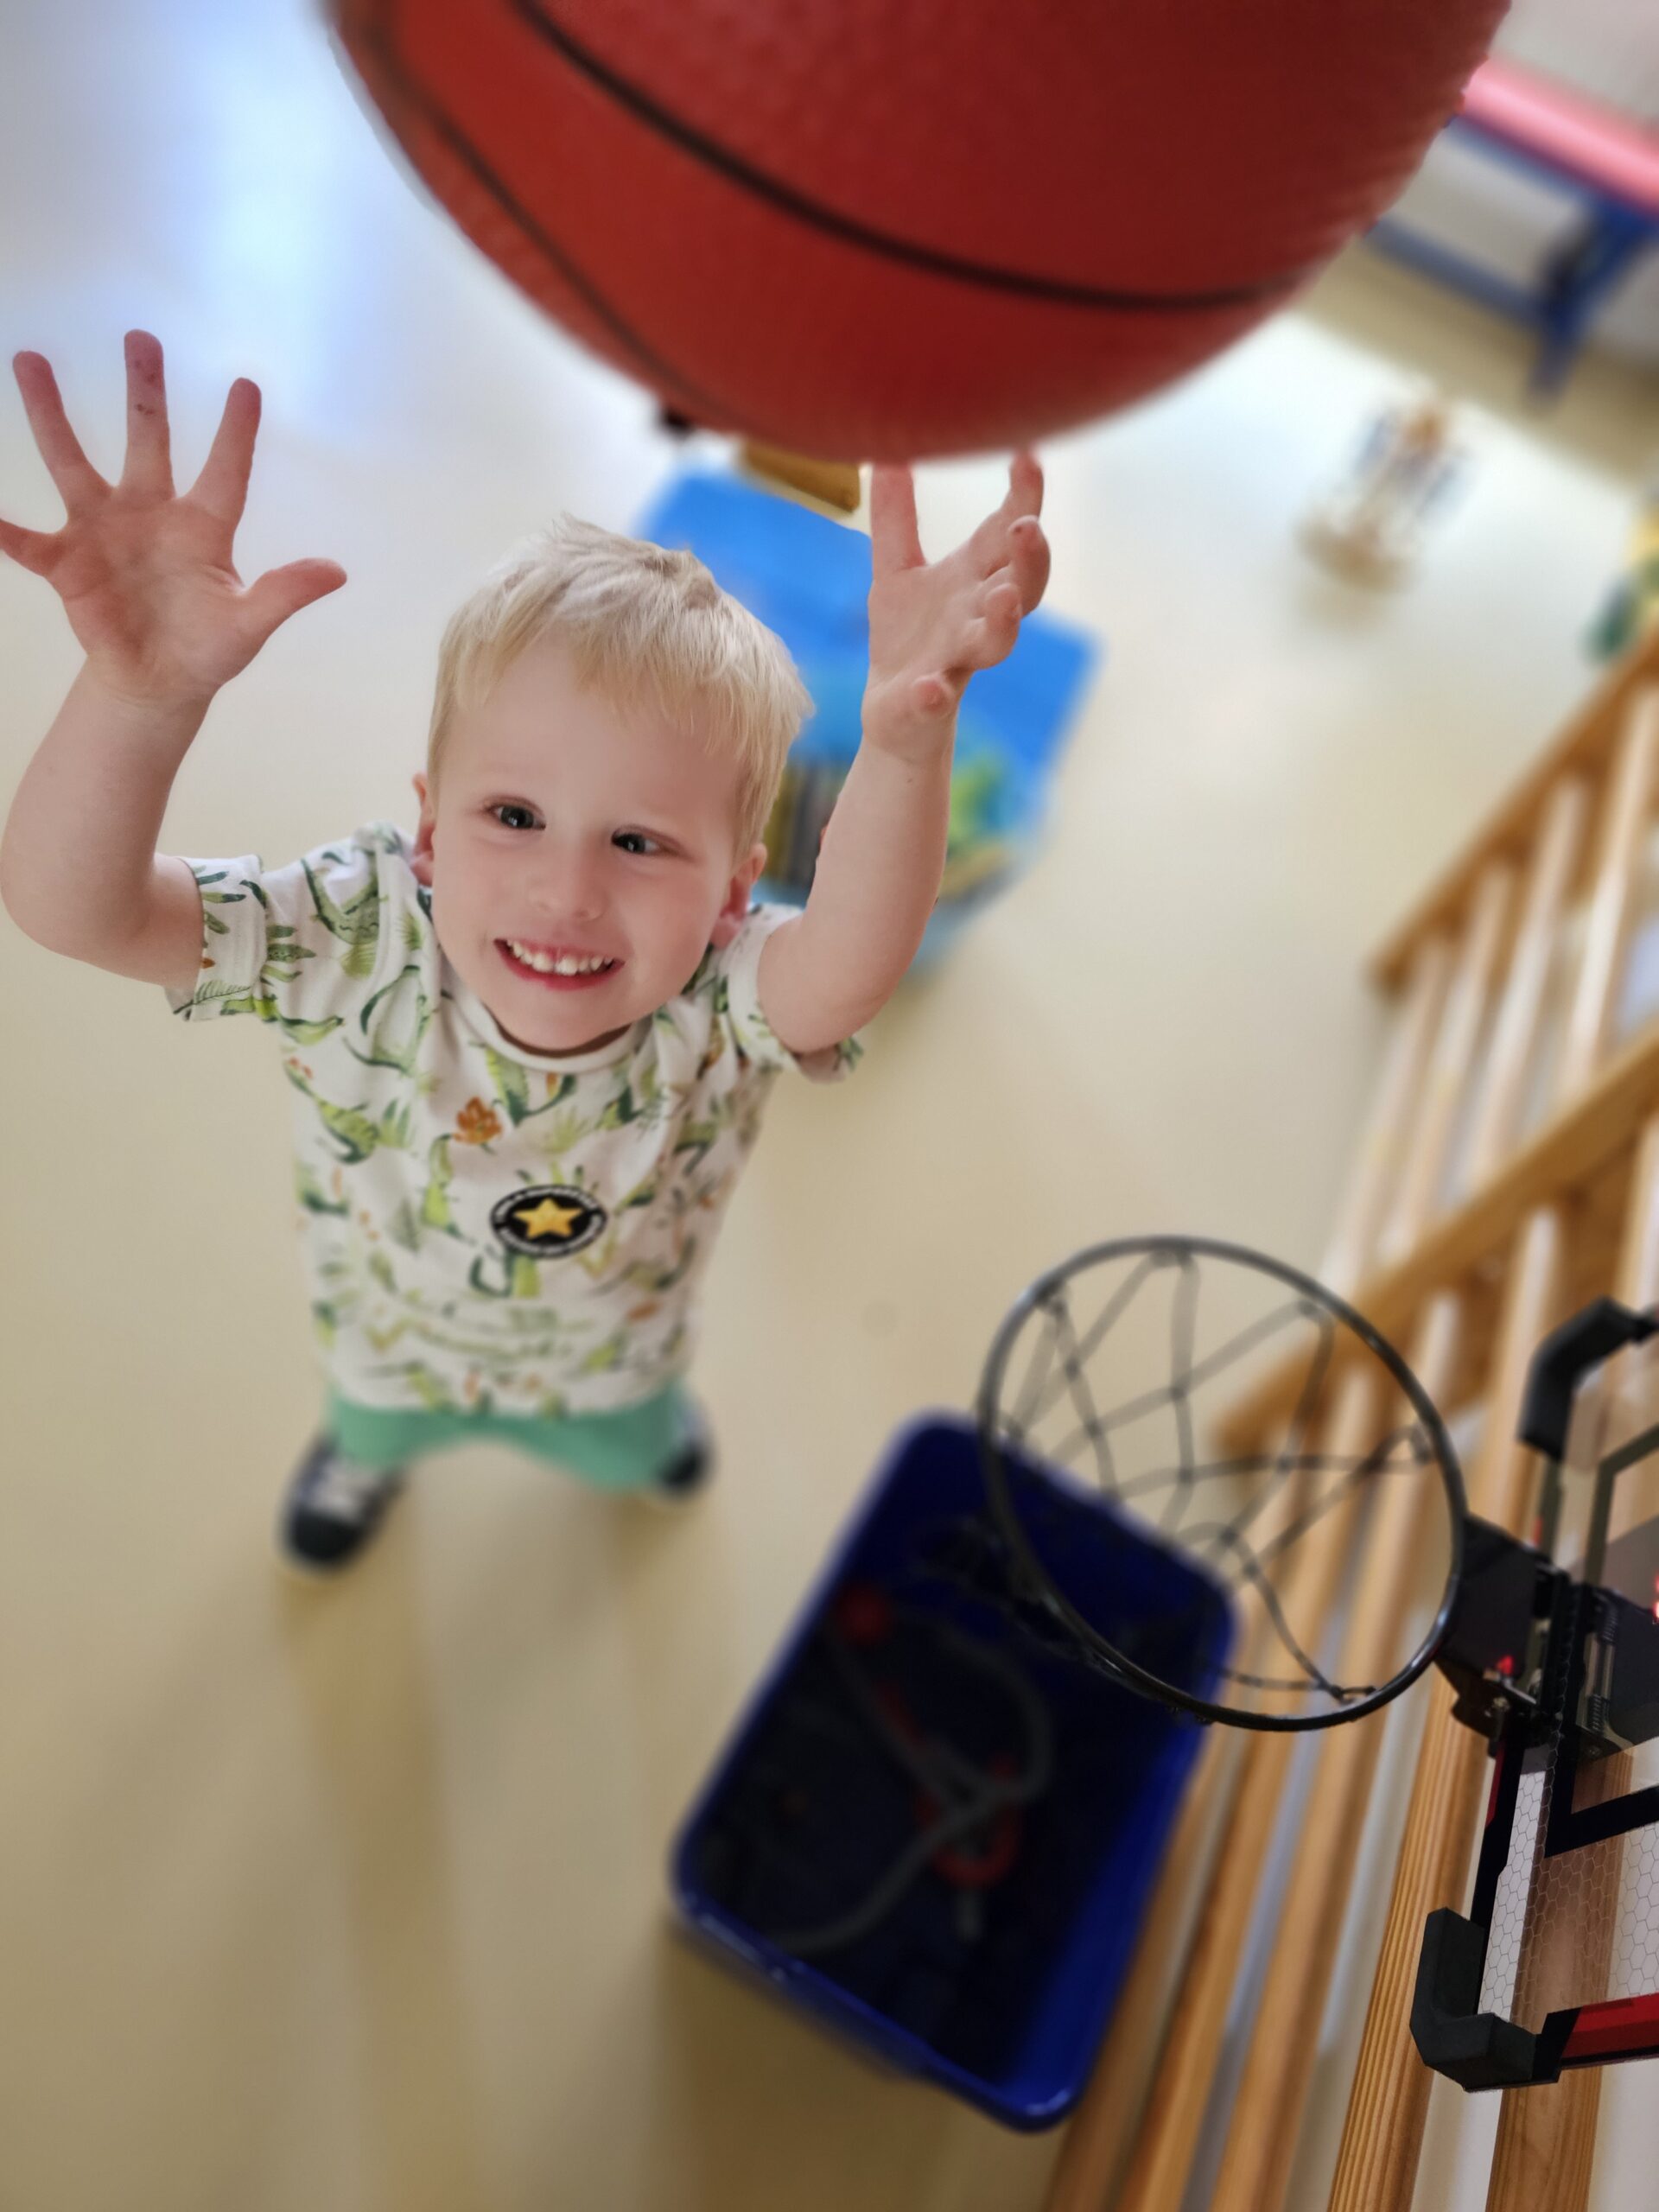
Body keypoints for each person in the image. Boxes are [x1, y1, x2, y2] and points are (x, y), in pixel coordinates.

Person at [0, 332, 1050, 1573]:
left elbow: (852, 965)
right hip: (388, 1344)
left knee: (639, 1445)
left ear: (732, 893)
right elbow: (80, 910)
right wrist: (138, 703)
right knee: (372, 1428)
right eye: (513, 818)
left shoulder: (724, 994)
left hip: (616, 1360)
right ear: (430, 829)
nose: (567, 890)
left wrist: (905, 746)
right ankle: (364, 1462)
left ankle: (641, 1450)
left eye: (641, 842)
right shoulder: (354, 929)